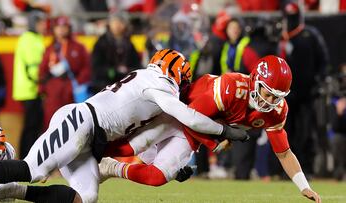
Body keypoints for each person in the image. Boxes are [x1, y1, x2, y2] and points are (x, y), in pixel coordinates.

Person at [0, 49, 248, 203]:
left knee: (85, 198)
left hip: (89, 137)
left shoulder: (151, 84)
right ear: (177, 73)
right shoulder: (159, 84)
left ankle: (9, 191)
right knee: (33, 169)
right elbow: (190, 117)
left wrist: (172, 167)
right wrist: (224, 130)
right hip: (81, 122)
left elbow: (148, 142)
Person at [97, 55, 321, 202]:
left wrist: (304, 187)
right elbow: (191, 117)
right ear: (255, 80)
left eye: (277, 96)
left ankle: (109, 169)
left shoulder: (276, 110)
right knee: (128, 148)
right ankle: (84, 153)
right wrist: (215, 141)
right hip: (177, 113)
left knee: (156, 176)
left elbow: (283, 152)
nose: (271, 101)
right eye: (268, 92)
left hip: (196, 134)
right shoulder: (231, 87)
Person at [279, 2, 330, 177]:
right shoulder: (281, 37)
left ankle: (306, 168)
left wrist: (318, 82)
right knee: (286, 132)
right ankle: (287, 171)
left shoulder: (310, 35)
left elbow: (323, 61)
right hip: (284, 95)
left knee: (306, 131)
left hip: (307, 93)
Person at [39, 16, 91, 126]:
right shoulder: (49, 49)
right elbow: (42, 70)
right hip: (53, 94)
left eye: (64, 26)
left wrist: (76, 84)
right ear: (54, 29)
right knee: (52, 124)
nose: (61, 29)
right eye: (58, 27)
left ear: (69, 28)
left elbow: (87, 68)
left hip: (71, 92)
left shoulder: (79, 47)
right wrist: (44, 88)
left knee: (73, 125)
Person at [12, 10, 47, 159]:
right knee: (31, 127)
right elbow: (33, 67)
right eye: (41, 22)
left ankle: (27, 159)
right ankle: (27, 160)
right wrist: (42, 82)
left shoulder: (31, 38)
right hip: (30, 90)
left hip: (29, 89)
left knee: (32, 127)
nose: (44, 25)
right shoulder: (30, 39)